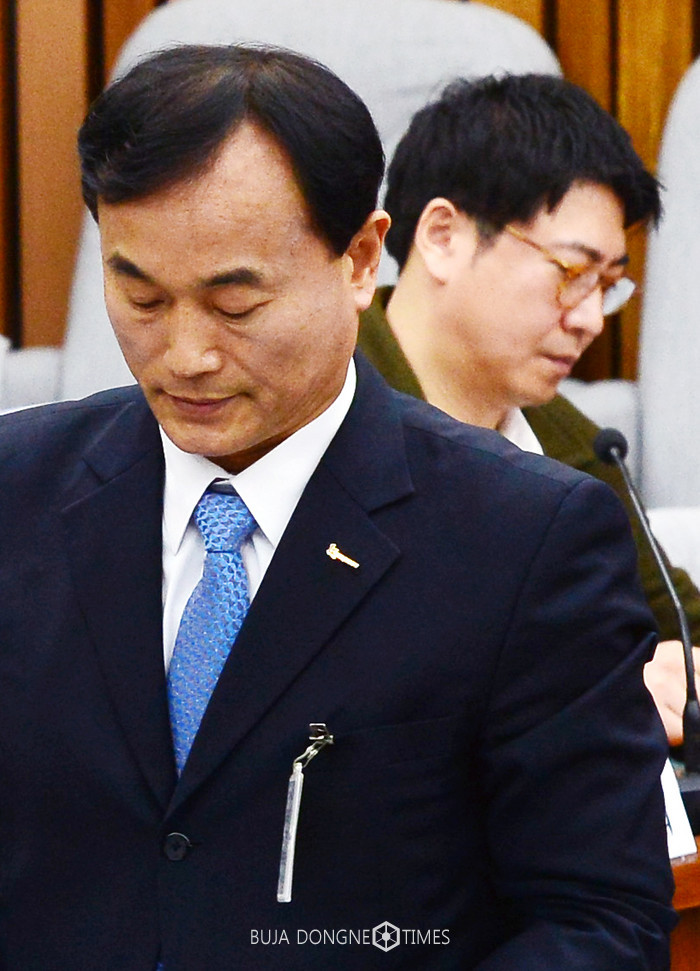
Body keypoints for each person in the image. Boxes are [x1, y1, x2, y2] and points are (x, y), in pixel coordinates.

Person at [0, 46, 674, 969]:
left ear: (360, 259)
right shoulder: (18, 490)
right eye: (141, 295)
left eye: (235, 304)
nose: (185, 354)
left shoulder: (522, 537)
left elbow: (598, 918)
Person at [360, 72, 700, 746]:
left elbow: (676, 623)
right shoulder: (316, 401)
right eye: (571, 272)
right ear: (443, 237)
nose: (590, 320)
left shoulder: (571, 441)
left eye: (607, 285)